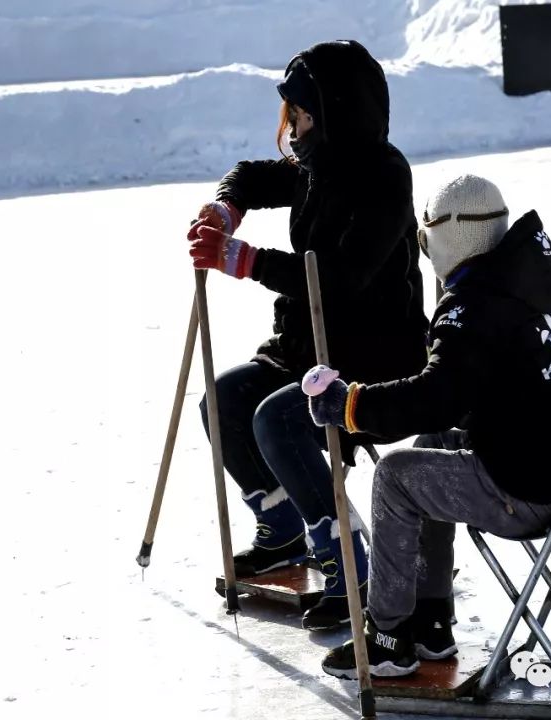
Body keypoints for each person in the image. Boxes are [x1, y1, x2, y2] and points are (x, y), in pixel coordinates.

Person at [304, 174, 551, 677]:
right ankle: (431, 618)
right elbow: (471, 394)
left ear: (453, 235)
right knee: (436, 446)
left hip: (524, 492)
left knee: (396, 476)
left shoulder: (473, 305)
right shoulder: (519, 287)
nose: (424, 247)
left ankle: (389, 638)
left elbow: (436, 398)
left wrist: (351, 406)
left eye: (428, 234)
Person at [186, 40, 428, 631]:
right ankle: (284, 526)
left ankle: (349, 561)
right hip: (307, 349)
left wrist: (246, 262)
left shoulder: (383, 176)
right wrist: (225, 209)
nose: (291, 125)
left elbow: (341, 278)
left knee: (277, 418)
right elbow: (246, 176)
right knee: (222, 400)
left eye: (300, 111)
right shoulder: (314, 168)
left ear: (334, 110)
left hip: (376, 362)